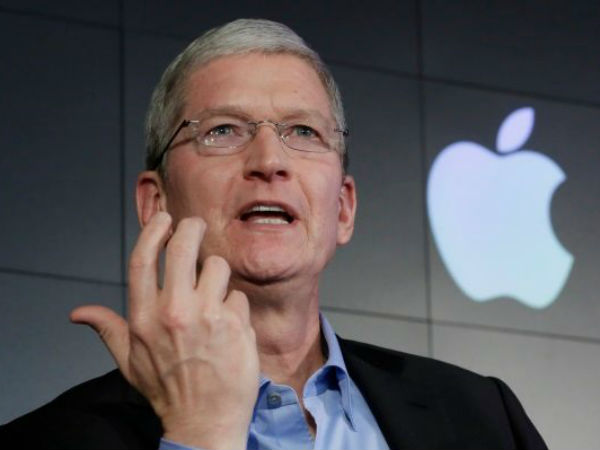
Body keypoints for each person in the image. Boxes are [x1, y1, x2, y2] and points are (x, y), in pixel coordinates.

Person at [0, 19, 548, 450]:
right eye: (222, 130)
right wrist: (199, 436)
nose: (269, 160)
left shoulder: (483, 416)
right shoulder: (46, 440)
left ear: (343, 208)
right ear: (155, 202)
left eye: (303, 131)